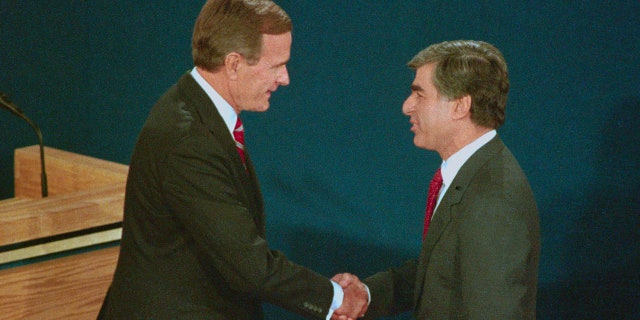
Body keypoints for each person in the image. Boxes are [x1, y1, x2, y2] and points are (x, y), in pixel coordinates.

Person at [97, 1, 368, 319]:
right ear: (234, 64)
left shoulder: (194, 111)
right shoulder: (189, 140)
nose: (285, 78)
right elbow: (248, 266)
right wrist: (335, 299)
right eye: (275, 66)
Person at [334, 40, 540, 319]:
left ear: (460, 106)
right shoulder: (472, 174)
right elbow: (441, 273)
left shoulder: (493, 197)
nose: (407, 106)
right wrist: (367, 294)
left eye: (420, 95)